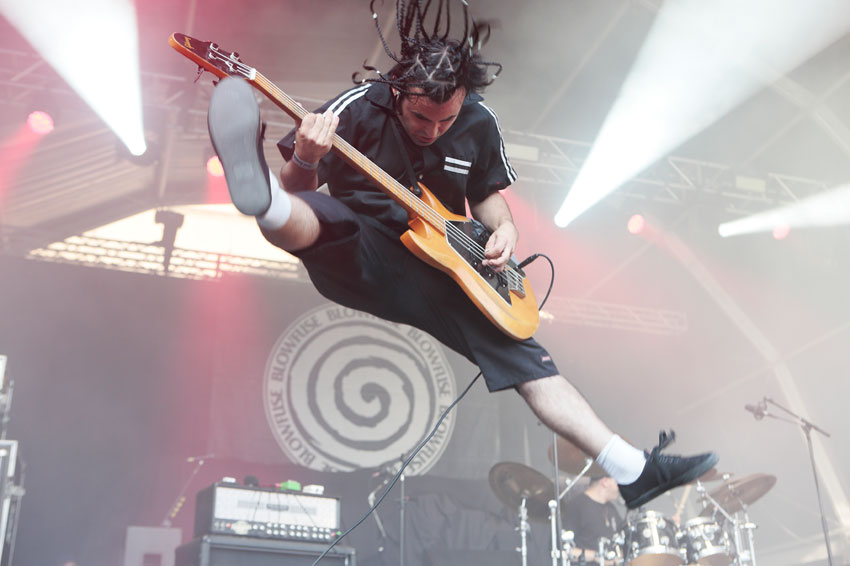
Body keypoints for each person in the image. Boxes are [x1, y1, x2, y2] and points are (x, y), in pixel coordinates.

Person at [205, 0, 717, 510]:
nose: (432, 130)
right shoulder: (356, 106)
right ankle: (266, 202)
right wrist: (305, 157)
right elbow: (304, 185)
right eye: (419, 117)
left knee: (529, 360)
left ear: (464, 100)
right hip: (368, 249)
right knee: (327, 218)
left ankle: (632, 470)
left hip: (450, 264)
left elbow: (487, 193)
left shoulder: (478, 120)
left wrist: (506, 229)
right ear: (399, 90)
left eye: (445, 120)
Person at [563, 477, 622, 565]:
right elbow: (563, 550)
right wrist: (596, 556)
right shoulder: (577, 506)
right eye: (616, 481)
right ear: (605, 482)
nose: (620, 486)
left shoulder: (611, 508)